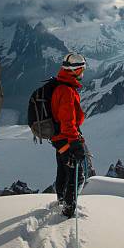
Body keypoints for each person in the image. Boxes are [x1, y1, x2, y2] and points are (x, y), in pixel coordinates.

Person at [51, 52, 87, 218]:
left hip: (59, 139)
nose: (82, 72)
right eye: (81, 69)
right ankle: (67, 210)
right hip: (66, 138)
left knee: (63, 171)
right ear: (75, 70)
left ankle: (61, 201)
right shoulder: (66, 90)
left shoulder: (62, 84)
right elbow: (67, 121)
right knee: (76, 175)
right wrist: (75, 142)